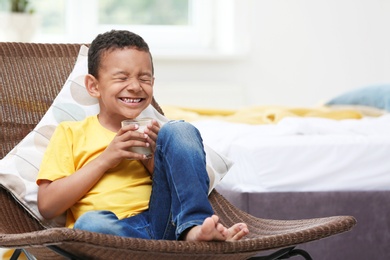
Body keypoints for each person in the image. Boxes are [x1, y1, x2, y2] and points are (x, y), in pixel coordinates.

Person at [36, 30, 249, 242]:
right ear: (94, 86)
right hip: (111, 231)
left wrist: (155, 161)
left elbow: (175, 189)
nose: (136, 86)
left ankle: (194, 227)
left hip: (163, 222)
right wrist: (106, 159)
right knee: (89, 223)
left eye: (144, 78)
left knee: (179, 129)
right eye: (122, 77)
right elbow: (47, 206)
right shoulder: (70, 133)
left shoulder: (156, 133)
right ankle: (159, 251)